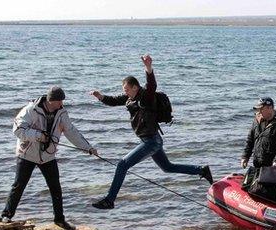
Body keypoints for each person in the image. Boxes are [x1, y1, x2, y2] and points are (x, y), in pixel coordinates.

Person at [89, 55, 212, 210]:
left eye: (127, 89)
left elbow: (152, 84)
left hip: (151, 141)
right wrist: (100, 97)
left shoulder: (146, 97)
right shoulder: (130, 98)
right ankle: (201, 170)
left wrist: (148, 68)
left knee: (122, 165)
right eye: (124, 90)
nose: (125, 93)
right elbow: (114, 100)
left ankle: (109, 200)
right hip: (151, 140)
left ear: (135, 87)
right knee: (167, 167)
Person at [0, 86, 98, 230]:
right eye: (60, 101)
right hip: (27, 154)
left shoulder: (62, 113)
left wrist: (88, 148)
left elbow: (71, 132)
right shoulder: (30, 110)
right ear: (51, 100)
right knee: (19, 185)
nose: (62, 104)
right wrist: (39, 136)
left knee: (55, 188)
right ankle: (7, 216)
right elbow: (18, 130)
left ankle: (59, 220)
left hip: (48, 156)